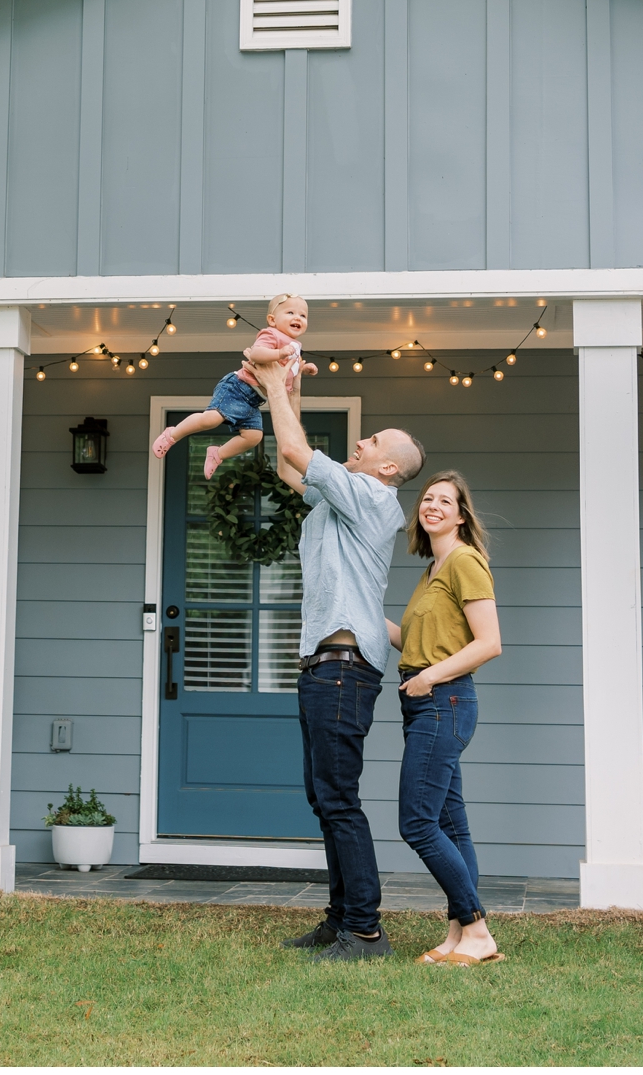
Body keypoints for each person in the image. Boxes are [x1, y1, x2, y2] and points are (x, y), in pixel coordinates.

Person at [250, 350, 424, 962]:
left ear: (388, 466)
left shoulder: (372, 501)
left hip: (344, 671)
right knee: (324, 796)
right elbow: (286, 464)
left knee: (339, 798)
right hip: (326, 668)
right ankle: (340, 918)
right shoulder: (338, 501)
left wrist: (271, 380)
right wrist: (289, 391)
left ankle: (367, 932)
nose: (361, 440)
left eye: (372, 439)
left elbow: (300, 454)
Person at [389, 471, 504, 966]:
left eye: (445, 500)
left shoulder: (464, 563)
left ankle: (477, 932)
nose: (432, 505)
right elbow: (413, 644)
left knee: (417, 822)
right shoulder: (432, 572)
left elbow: (489, 644)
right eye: (427, 498)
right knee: (450, 826)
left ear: (461, 515)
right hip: (426, 700)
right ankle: (459, 936)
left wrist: (428, 678)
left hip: (443, 701)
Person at [152, 292, 320, 477]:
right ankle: (173, 434)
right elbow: (256, 354)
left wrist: (304, 368)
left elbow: (287, 370)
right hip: (238, 388)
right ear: (272, 320)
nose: (298, 318)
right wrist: (279, 352)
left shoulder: (295, 345)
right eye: (290, 313)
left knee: (254, 437)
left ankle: (218, 453)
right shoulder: (272, 334)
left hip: (255, 400)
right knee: (211, 419)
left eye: (303, 315)